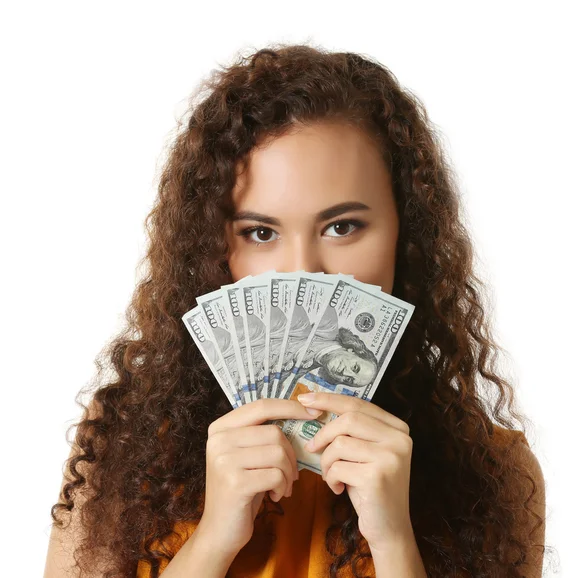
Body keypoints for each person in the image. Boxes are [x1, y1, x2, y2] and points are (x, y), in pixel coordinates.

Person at [43, 43, 547, 578]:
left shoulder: (493, 470)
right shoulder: (125, 441)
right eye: (260, 233)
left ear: (407, 234)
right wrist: (215, 538)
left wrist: (394, 542)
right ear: (214, 248)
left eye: (343, 226)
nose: (305, 273)